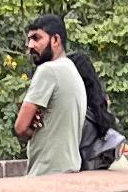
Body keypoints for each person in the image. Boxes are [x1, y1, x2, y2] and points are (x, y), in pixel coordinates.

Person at [17, 15, 89, 177]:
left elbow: (20, 128)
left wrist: (29, 126)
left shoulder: (48, 71)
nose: (30, 45)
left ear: (55, 40)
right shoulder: (71, 69)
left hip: (46, 173)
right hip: (70, 170)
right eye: (29, 40)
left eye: (36, 38)